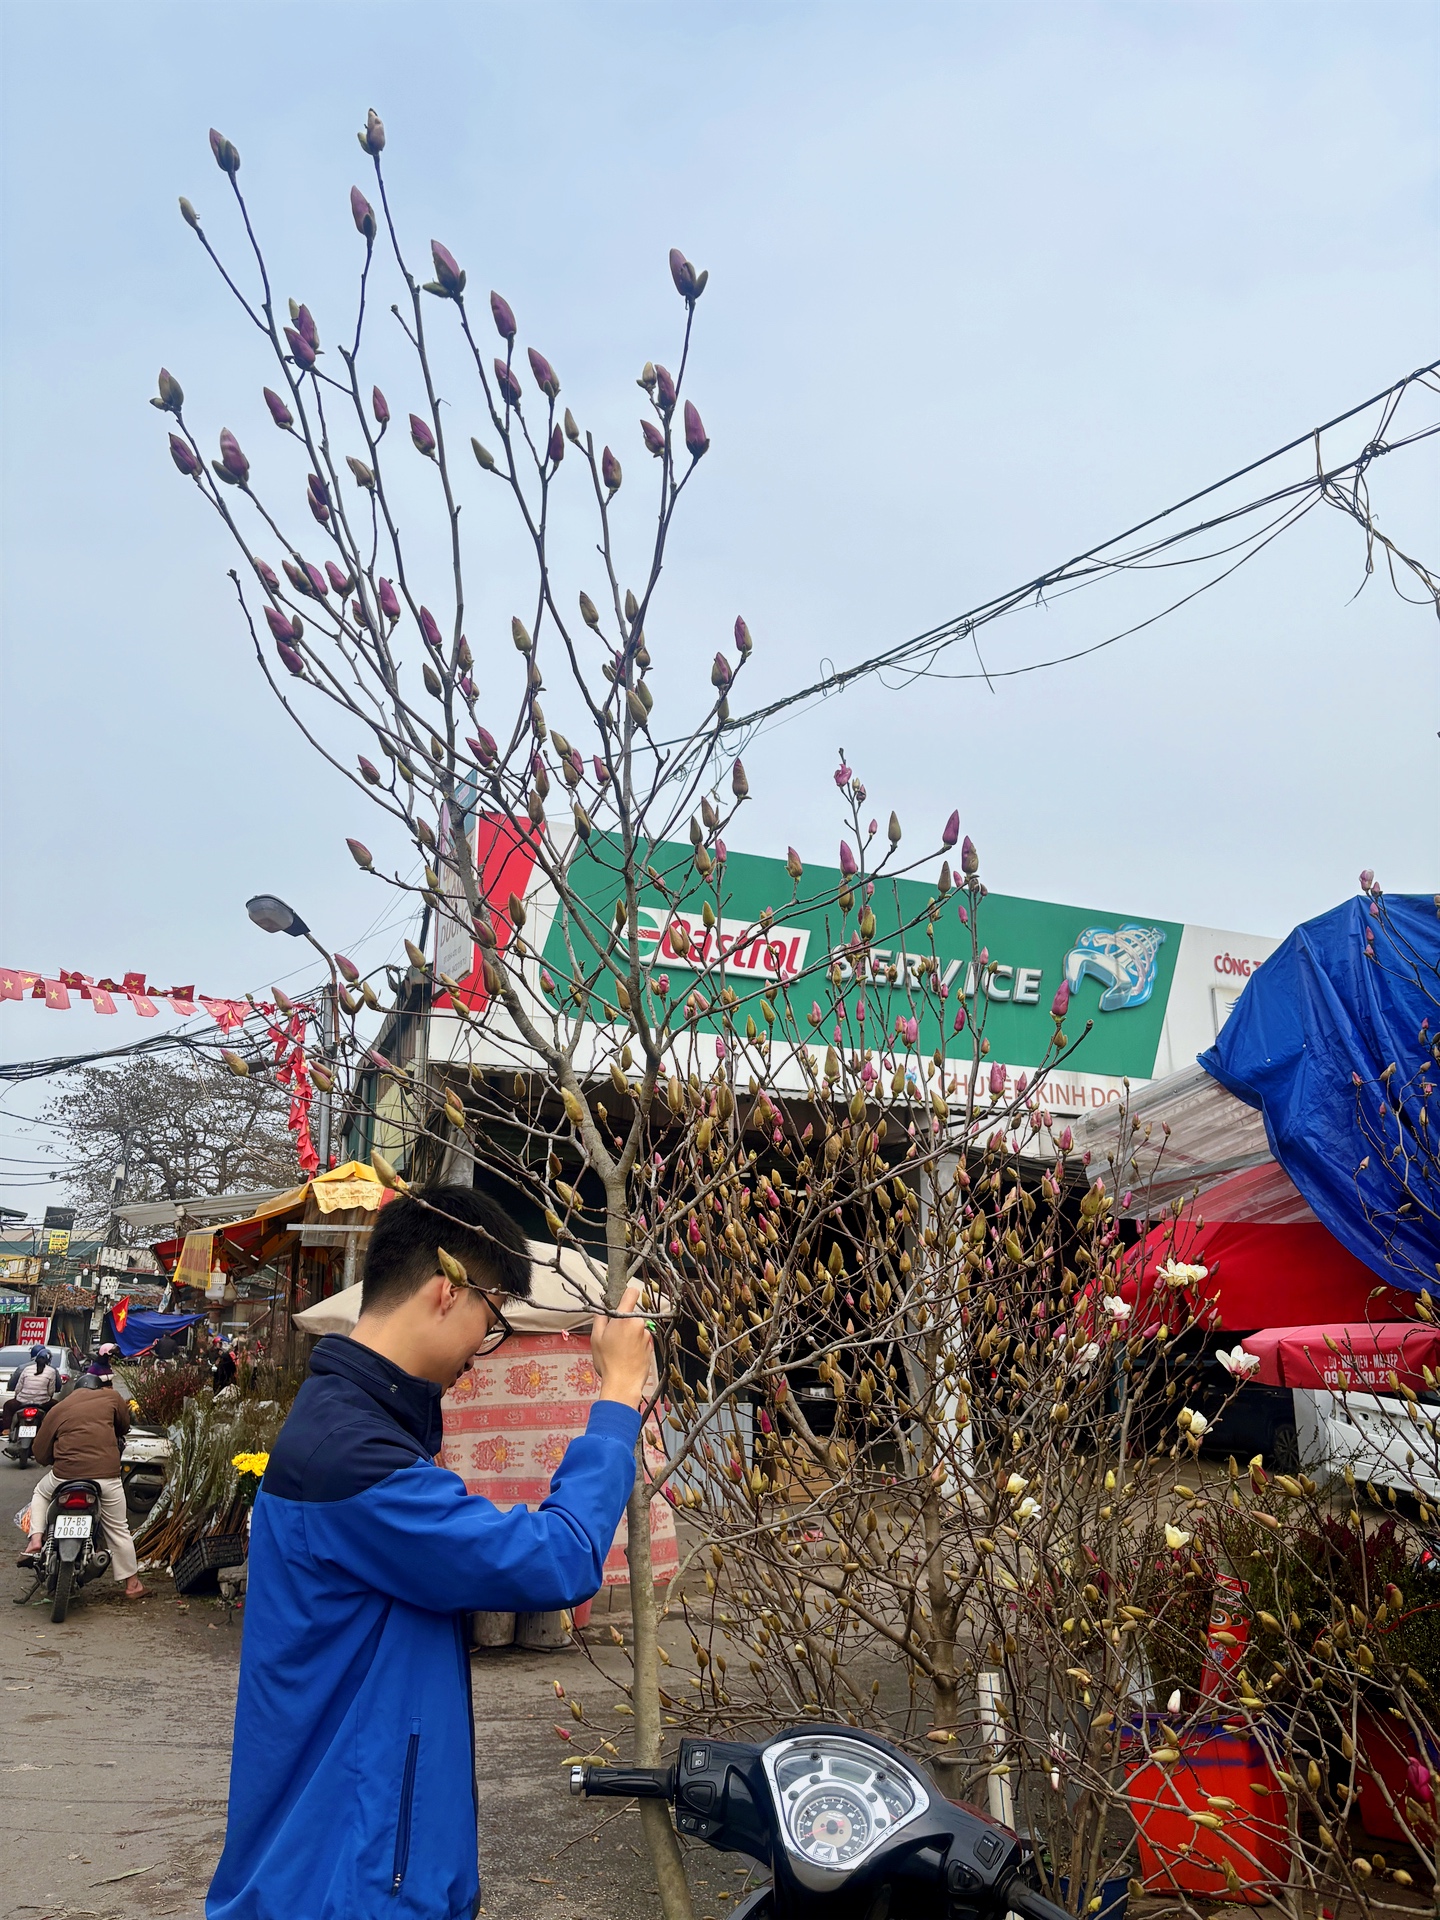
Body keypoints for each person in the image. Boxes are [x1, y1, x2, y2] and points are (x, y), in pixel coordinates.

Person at [207, 1184, 652, 1920]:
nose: (483, 1352)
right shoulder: (353, 1463)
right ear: (449, 1291)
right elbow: (560, 1559)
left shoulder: (353, 1425)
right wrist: (618, 1396)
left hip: (348, 1859)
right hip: (345, 1881)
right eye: (491, 1320)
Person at [19, 1373, 147, 1599]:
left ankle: (36, 1539)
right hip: (105, 1477)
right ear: (98, 1388)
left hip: (65, 1476)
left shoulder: (58, 1408)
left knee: (40, 1492)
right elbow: (124, 1426)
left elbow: (40, 1453)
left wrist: (54, 1459)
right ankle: (132, 1585)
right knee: (118, 1529)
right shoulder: (111, 1397)